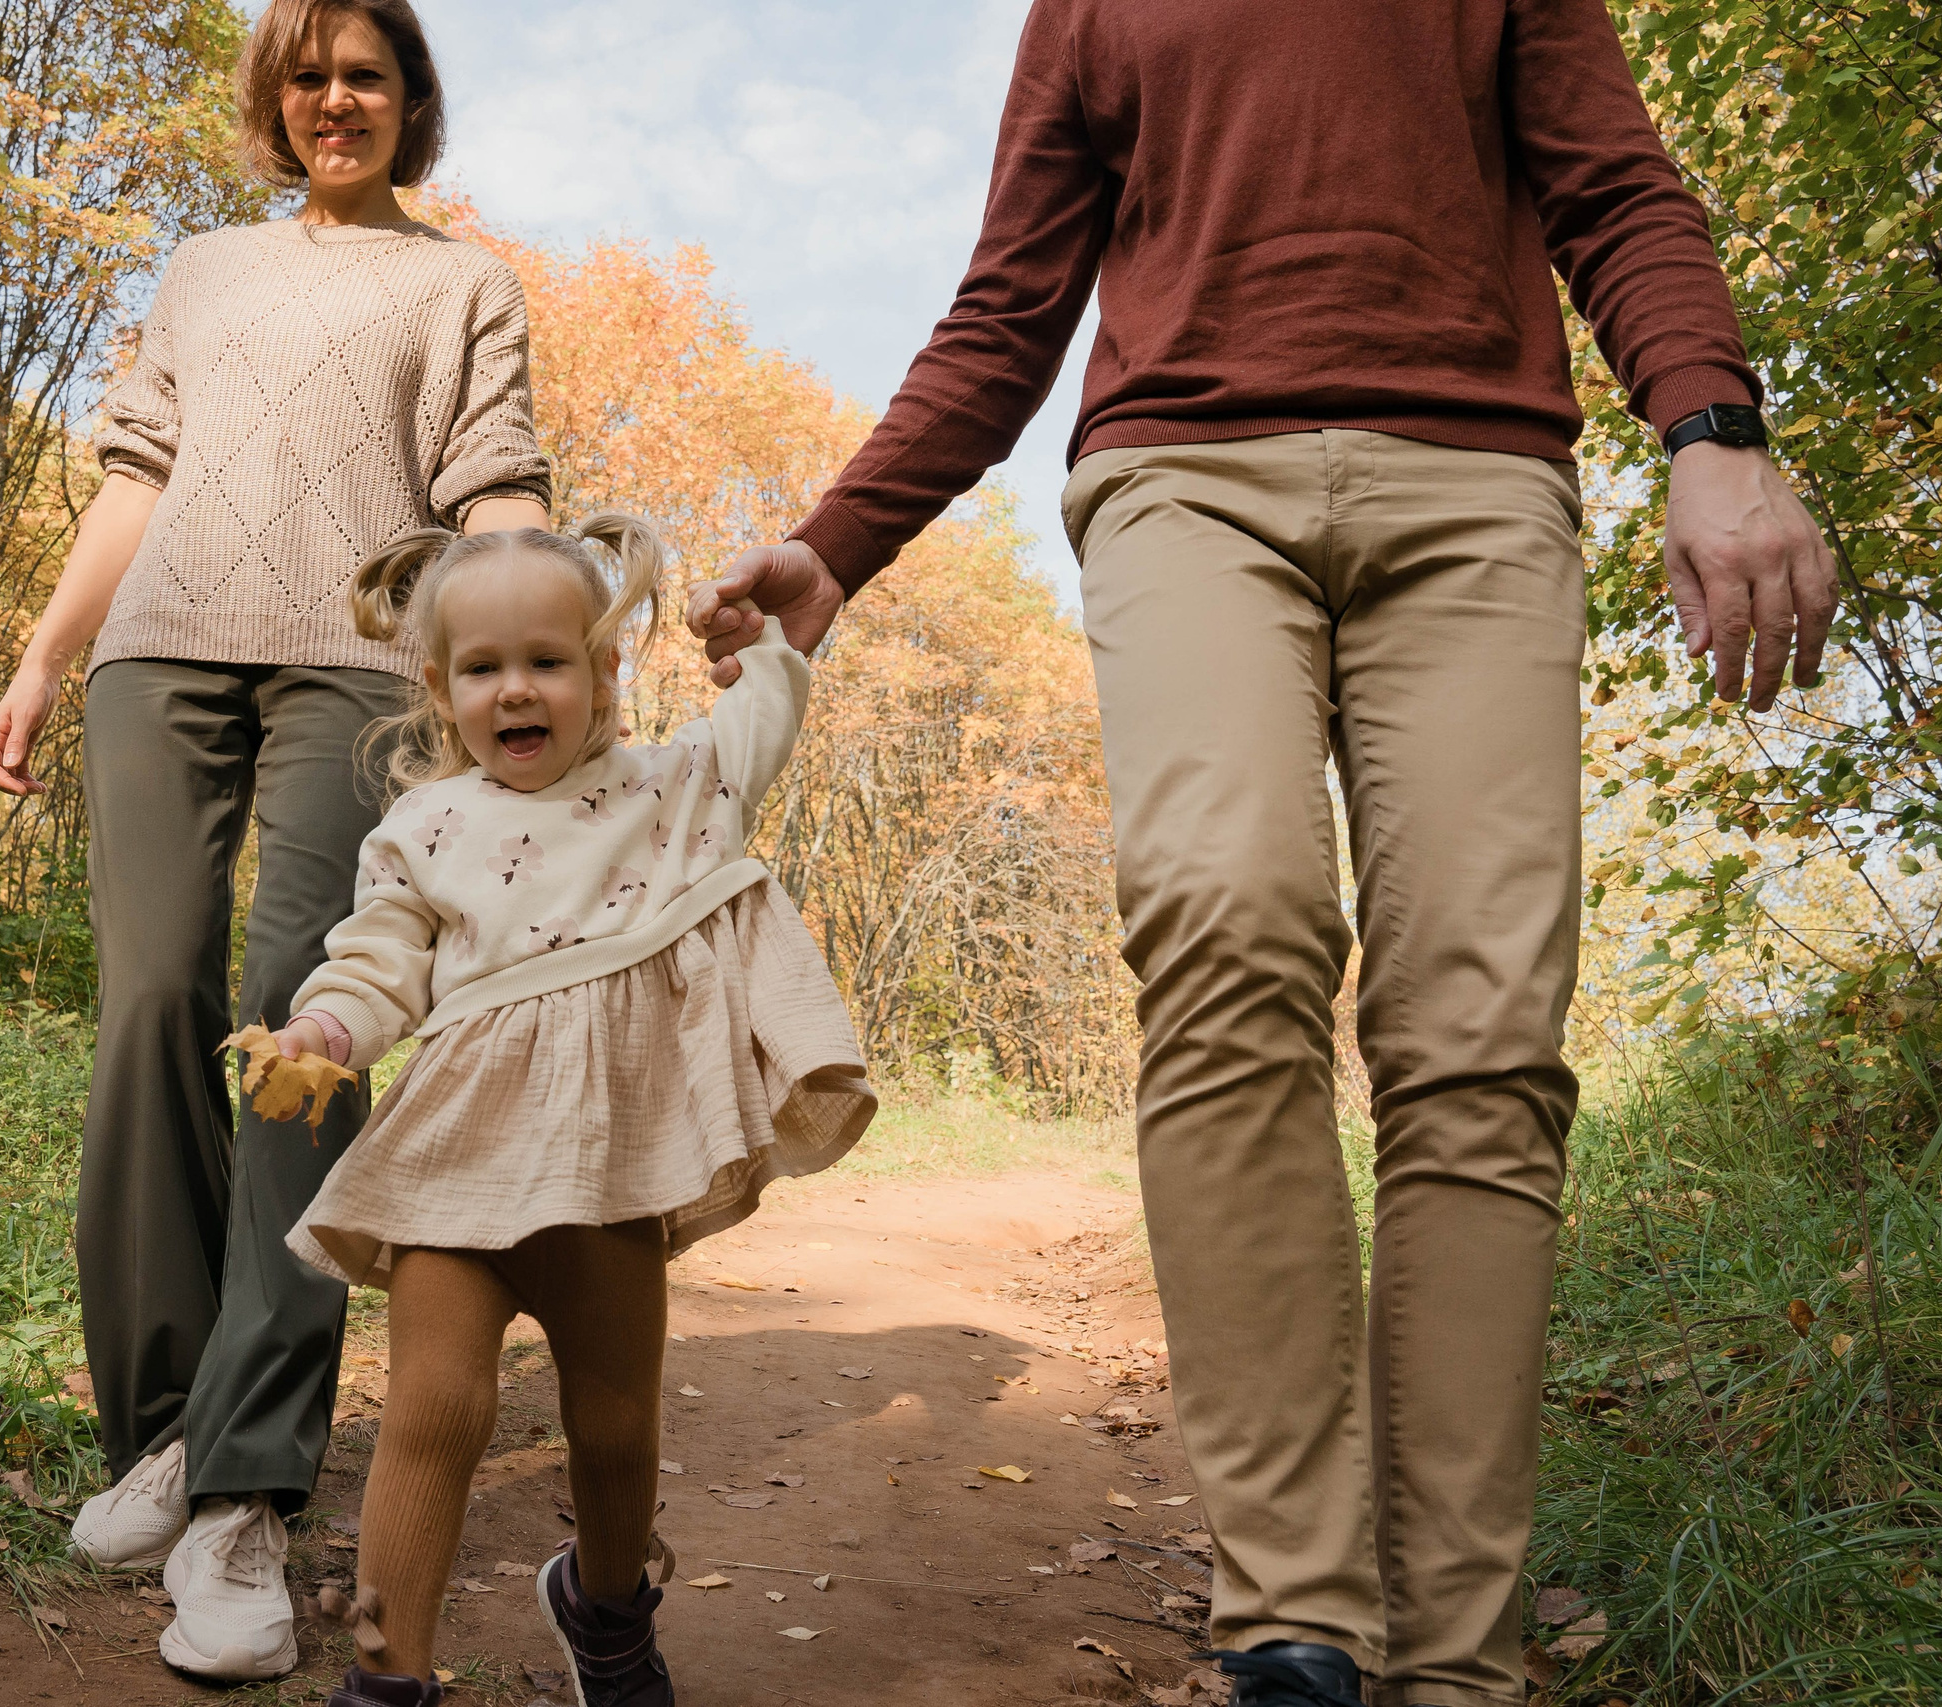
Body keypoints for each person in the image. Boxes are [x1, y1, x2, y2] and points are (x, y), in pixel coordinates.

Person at [696, 5, 1838, 1706]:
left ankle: (1458, 1657)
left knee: (1480, 1037)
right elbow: (1010, 305)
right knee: (1228, 925)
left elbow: (1617, 191)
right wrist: (842, 540)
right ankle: (1295, 1620)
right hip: (1185, 482)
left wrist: (1714, 434)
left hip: (1478, 482)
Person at [0, 0, 554, 1679]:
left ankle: (244, 1490)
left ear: (410, 99)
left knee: (301, 1027)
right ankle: (164, 1424)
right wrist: (43, 650)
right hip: (162, 651)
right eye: (305, 74)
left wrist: (524, 626)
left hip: (358, 662)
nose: (332, 99)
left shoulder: (462, 284)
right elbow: (137, 470)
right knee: (152, 998)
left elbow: (494, 478)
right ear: (273, 97)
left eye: (364, 73)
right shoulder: (206, 267)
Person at [258, 515, 873, 1707]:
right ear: (440, 691)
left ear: (604, 676)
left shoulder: (671, 787)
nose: (516, 690)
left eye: (548, 660)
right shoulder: (422, 829)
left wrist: (768, 646)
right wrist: (323, 1032)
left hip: (609, 1157)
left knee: (610, 1422)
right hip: (462, 1151)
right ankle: (387, 1679)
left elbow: (762, 714)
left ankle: (605, 1609)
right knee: (436, 1409)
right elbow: (375, 965)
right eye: (483, 668)